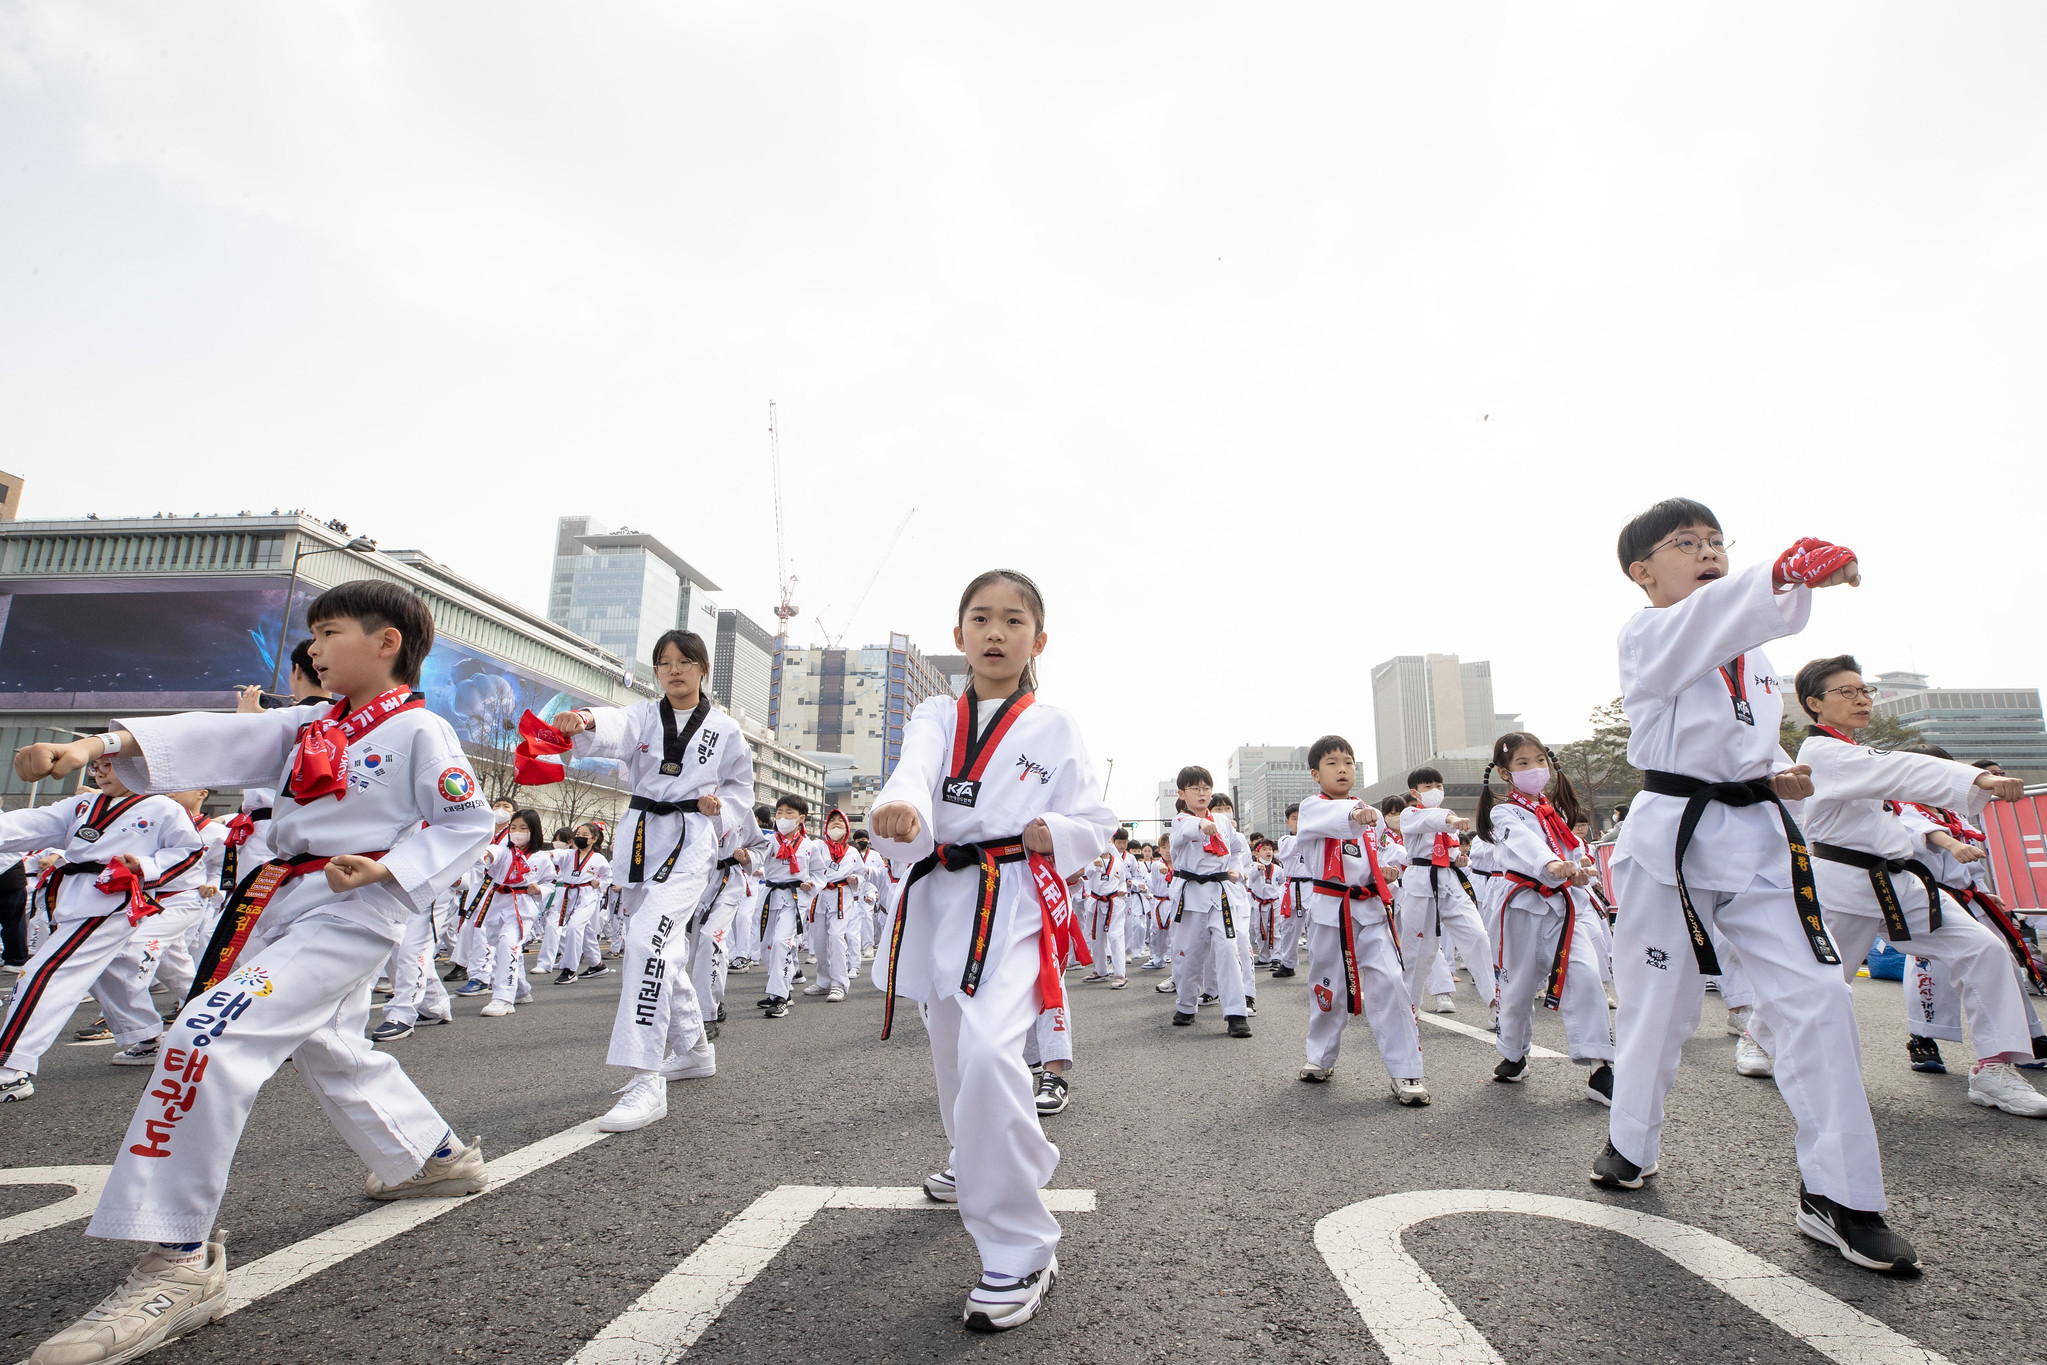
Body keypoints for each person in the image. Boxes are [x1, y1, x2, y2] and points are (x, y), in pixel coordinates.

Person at [14, 578, 495, 1364]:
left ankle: (178, 1258)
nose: (313, 647)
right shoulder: (311, 721)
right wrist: (97, 748)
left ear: (387, 643)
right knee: (329, 1041)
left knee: (204, 1035)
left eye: (330, 630)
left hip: (350, 909)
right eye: (313, 632)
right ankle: (430, 1156)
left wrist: (389, 870)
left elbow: (466, 819)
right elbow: (213, 738)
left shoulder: (421, 731)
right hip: (280, 897)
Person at [1596, 501, 1920, 1274]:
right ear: (1642, 572)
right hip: (1670, 836)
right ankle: (1628, 1140)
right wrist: (1777, 573)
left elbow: (1742, 730)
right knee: (1657, 1005)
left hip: (1757, 834)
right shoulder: (1647, 631)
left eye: (1715, 542)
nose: (1706, 552)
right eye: (1685, 544)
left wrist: (1779, 768)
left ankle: (1838, 1194)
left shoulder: (1755, 655)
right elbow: (1712, 620)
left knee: (1818, 997)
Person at [868, 569, 1115, 1331]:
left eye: (1014, 620)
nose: (996, 632)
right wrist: (900, 808)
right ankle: (981, 1157)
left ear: (1037, 641)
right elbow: (909, 775)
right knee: (952, 1060)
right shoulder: (934, 714)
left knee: (986, 1053)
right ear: (958, 636)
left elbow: (1094, 820)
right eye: (981, 618)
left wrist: (1059, 832)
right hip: (939, 895)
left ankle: (1020, 1242)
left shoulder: (1055, 726)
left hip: (1008, 902)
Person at [1791, 657, 2046, 1118]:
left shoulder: (1853, 753)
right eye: (1846, 692)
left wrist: (1940, 839)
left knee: (1985, 949)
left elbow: (1896, 816)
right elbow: (1905, 770)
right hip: (1843, 887)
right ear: (1815, 704)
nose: (1862, 699)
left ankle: (1995, 1067)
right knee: (1822, 983)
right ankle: (1764, 1040)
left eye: (1864, 690)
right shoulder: (1823, 753)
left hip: (1900, 882)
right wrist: (1980, 778)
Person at [537, 628, 755, 1132]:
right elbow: (609, 723)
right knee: (662, 949)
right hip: (639, 840)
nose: (674, 670)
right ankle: (696, 1049)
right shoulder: (641, 714)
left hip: (691, 840)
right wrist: (584, 719)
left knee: (644, 943)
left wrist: (721, 812)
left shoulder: (724, 729)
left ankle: (646, 1077)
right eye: (664, 662)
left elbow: (742, 789)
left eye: (684, 661)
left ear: (702, 667)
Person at [0, 760, 203, 1101]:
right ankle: (145, 1035)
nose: (101, 773)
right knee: (113, 970)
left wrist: (147, 866)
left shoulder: (163, 807)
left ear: (138, 768)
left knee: (47, 972)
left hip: (114, 898)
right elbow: (27, 824)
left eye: (109, 765)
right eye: (96, 767)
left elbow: (190, 851)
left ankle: (11, 1065)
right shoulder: (84, 805)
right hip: (74, 897)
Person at [1478, 734, 1615, 1104]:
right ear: (1506, 774)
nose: (1535, 769)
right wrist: (1551, 865)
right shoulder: (1503, 812)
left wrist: (1581, 867)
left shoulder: (1554, 812)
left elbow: (1573, 849)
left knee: (1584, 974)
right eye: (1523, 763)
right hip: (1522, 906)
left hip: (1563, 904)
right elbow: (1525, 843)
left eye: (1539, 760)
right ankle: (1514, 1053)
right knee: (1519, 986)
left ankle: (1600, 1066)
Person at [1396, 768, 1496, 1016]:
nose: (1435, 791)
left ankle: (1498, 1006)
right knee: (1419, 950)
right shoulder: (1410, 814)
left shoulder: (1446, 820)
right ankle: (1408, 1007)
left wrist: (1459, 861)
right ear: (1414, 792)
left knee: (1477, 937)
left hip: (1450, 883)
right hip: (1421, 883)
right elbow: (1430, 820)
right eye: (1428, 786)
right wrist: (1451, 819)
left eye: (1439, 785)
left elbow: (1450, 852)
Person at [757, 796, 822, 1018]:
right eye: (779, 813)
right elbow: (754, 862)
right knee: (766, 944)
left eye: (789, 813)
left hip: (795, 897)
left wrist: (811, 884)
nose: (783, 818)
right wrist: (746, 859)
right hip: (770, 895)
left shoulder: (809, 846)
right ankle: (778, 988)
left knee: (782, 942)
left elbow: (819, 874)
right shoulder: (768, 841)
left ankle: (781, 996)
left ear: (801, 818)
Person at [805, 808, 864, 1002]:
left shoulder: (853, 851)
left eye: (840, 821)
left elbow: (861, 875)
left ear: (846, 828)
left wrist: (856, 879)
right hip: (819, 894)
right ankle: (823, 981)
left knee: (837, 937)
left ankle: (839, 984)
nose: (836, 824)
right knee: (819, 940)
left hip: (841, 894)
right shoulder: (817, 846)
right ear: (826, 827)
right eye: (832, 821)